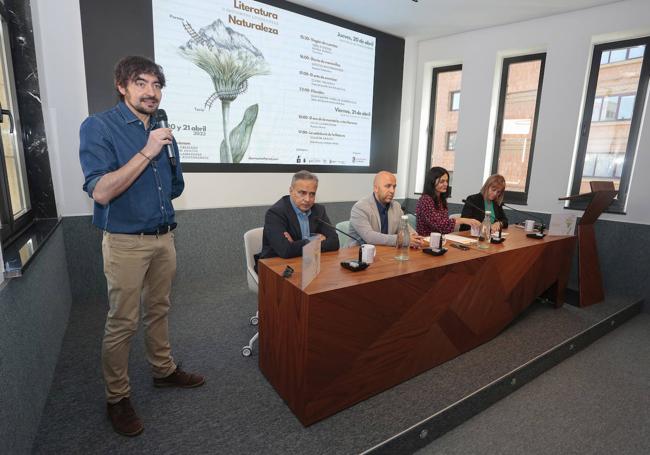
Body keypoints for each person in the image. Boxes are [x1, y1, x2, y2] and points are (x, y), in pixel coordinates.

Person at [79, 56, 204, 437]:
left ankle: (163, 371)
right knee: (122, 321)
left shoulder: (162, 129)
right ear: (122, 86)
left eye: (156, 84)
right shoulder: (99, 126)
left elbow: (175, 183)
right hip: (125, 242)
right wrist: (148, 150)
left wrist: (160, 156)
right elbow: (101, 191)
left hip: (164, 237)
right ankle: (117, 397)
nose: (151, 91)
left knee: (160, 309)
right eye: (140, 83)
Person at [258, 170, 339, 261]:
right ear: (291, 191)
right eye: (302, 193)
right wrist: (314, 241)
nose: (307, 199)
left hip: (307, 262)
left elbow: (335, 242)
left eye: (312, 194)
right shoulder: (275, 213)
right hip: (274, 264)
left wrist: (295, 244)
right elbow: (285, 250)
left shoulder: (319, 211)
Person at [348, 171, 424, 248]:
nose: (392, 191)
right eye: (388, 186)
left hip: (386, 253)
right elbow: (370, 237)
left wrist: (415, 238)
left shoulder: (396, 206)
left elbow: (406, 229)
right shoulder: (360, 208)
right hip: (359, 255)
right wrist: (400, 239)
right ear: (376, 188)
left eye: (394, 187)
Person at [416, 166, 480, 235]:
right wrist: (462, 220)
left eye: (447, 181)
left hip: (441, 239)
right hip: (426, 240)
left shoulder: (441, 199)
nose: (446, 184)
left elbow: (444, 226)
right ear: (432, 182)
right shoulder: (425, 200)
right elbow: (439, 225)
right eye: (442, 181)